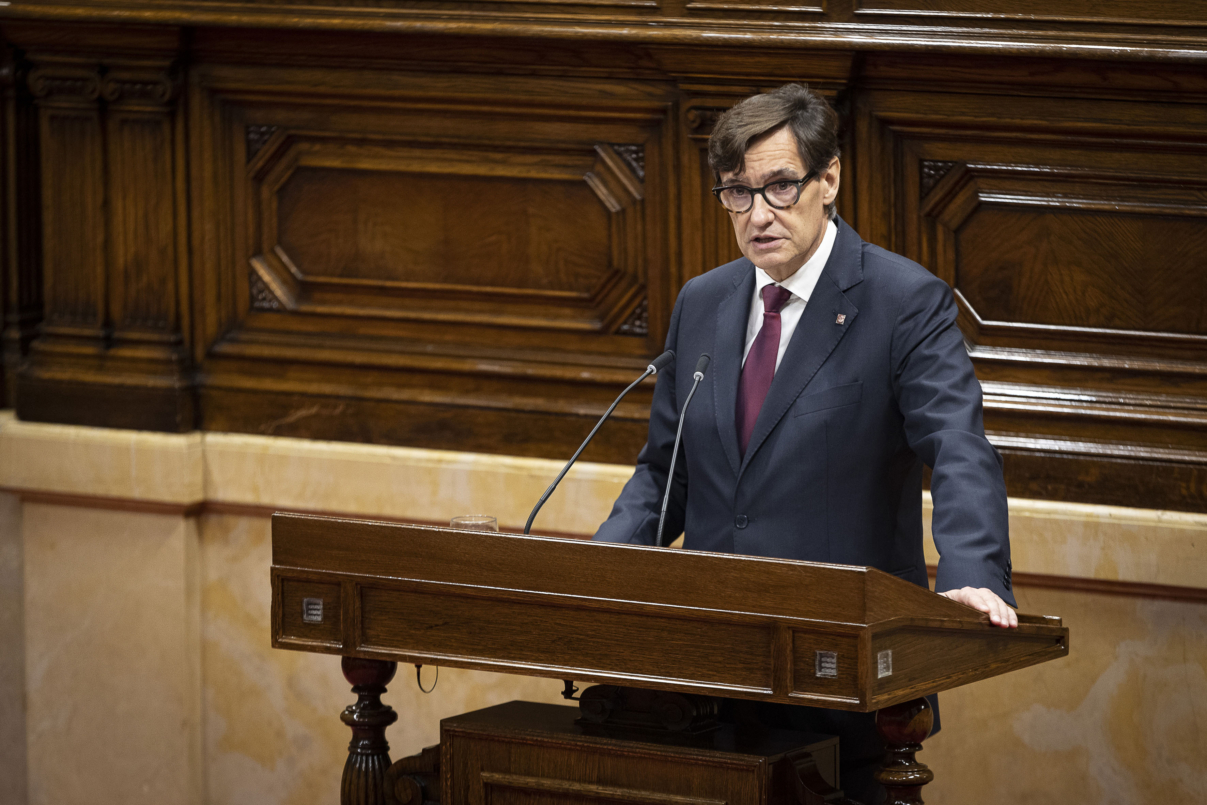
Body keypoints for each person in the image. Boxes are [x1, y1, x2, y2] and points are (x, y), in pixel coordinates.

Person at [592, 84, 1016, 803]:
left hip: (841, 680)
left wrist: (971, 570)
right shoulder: (701, 301)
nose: (757, 214)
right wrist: (593, 572)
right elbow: (665, 475)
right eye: (736, 192)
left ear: (828, 179)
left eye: (779, 186)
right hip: (709, 681)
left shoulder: (901, 300)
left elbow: (956, 443)